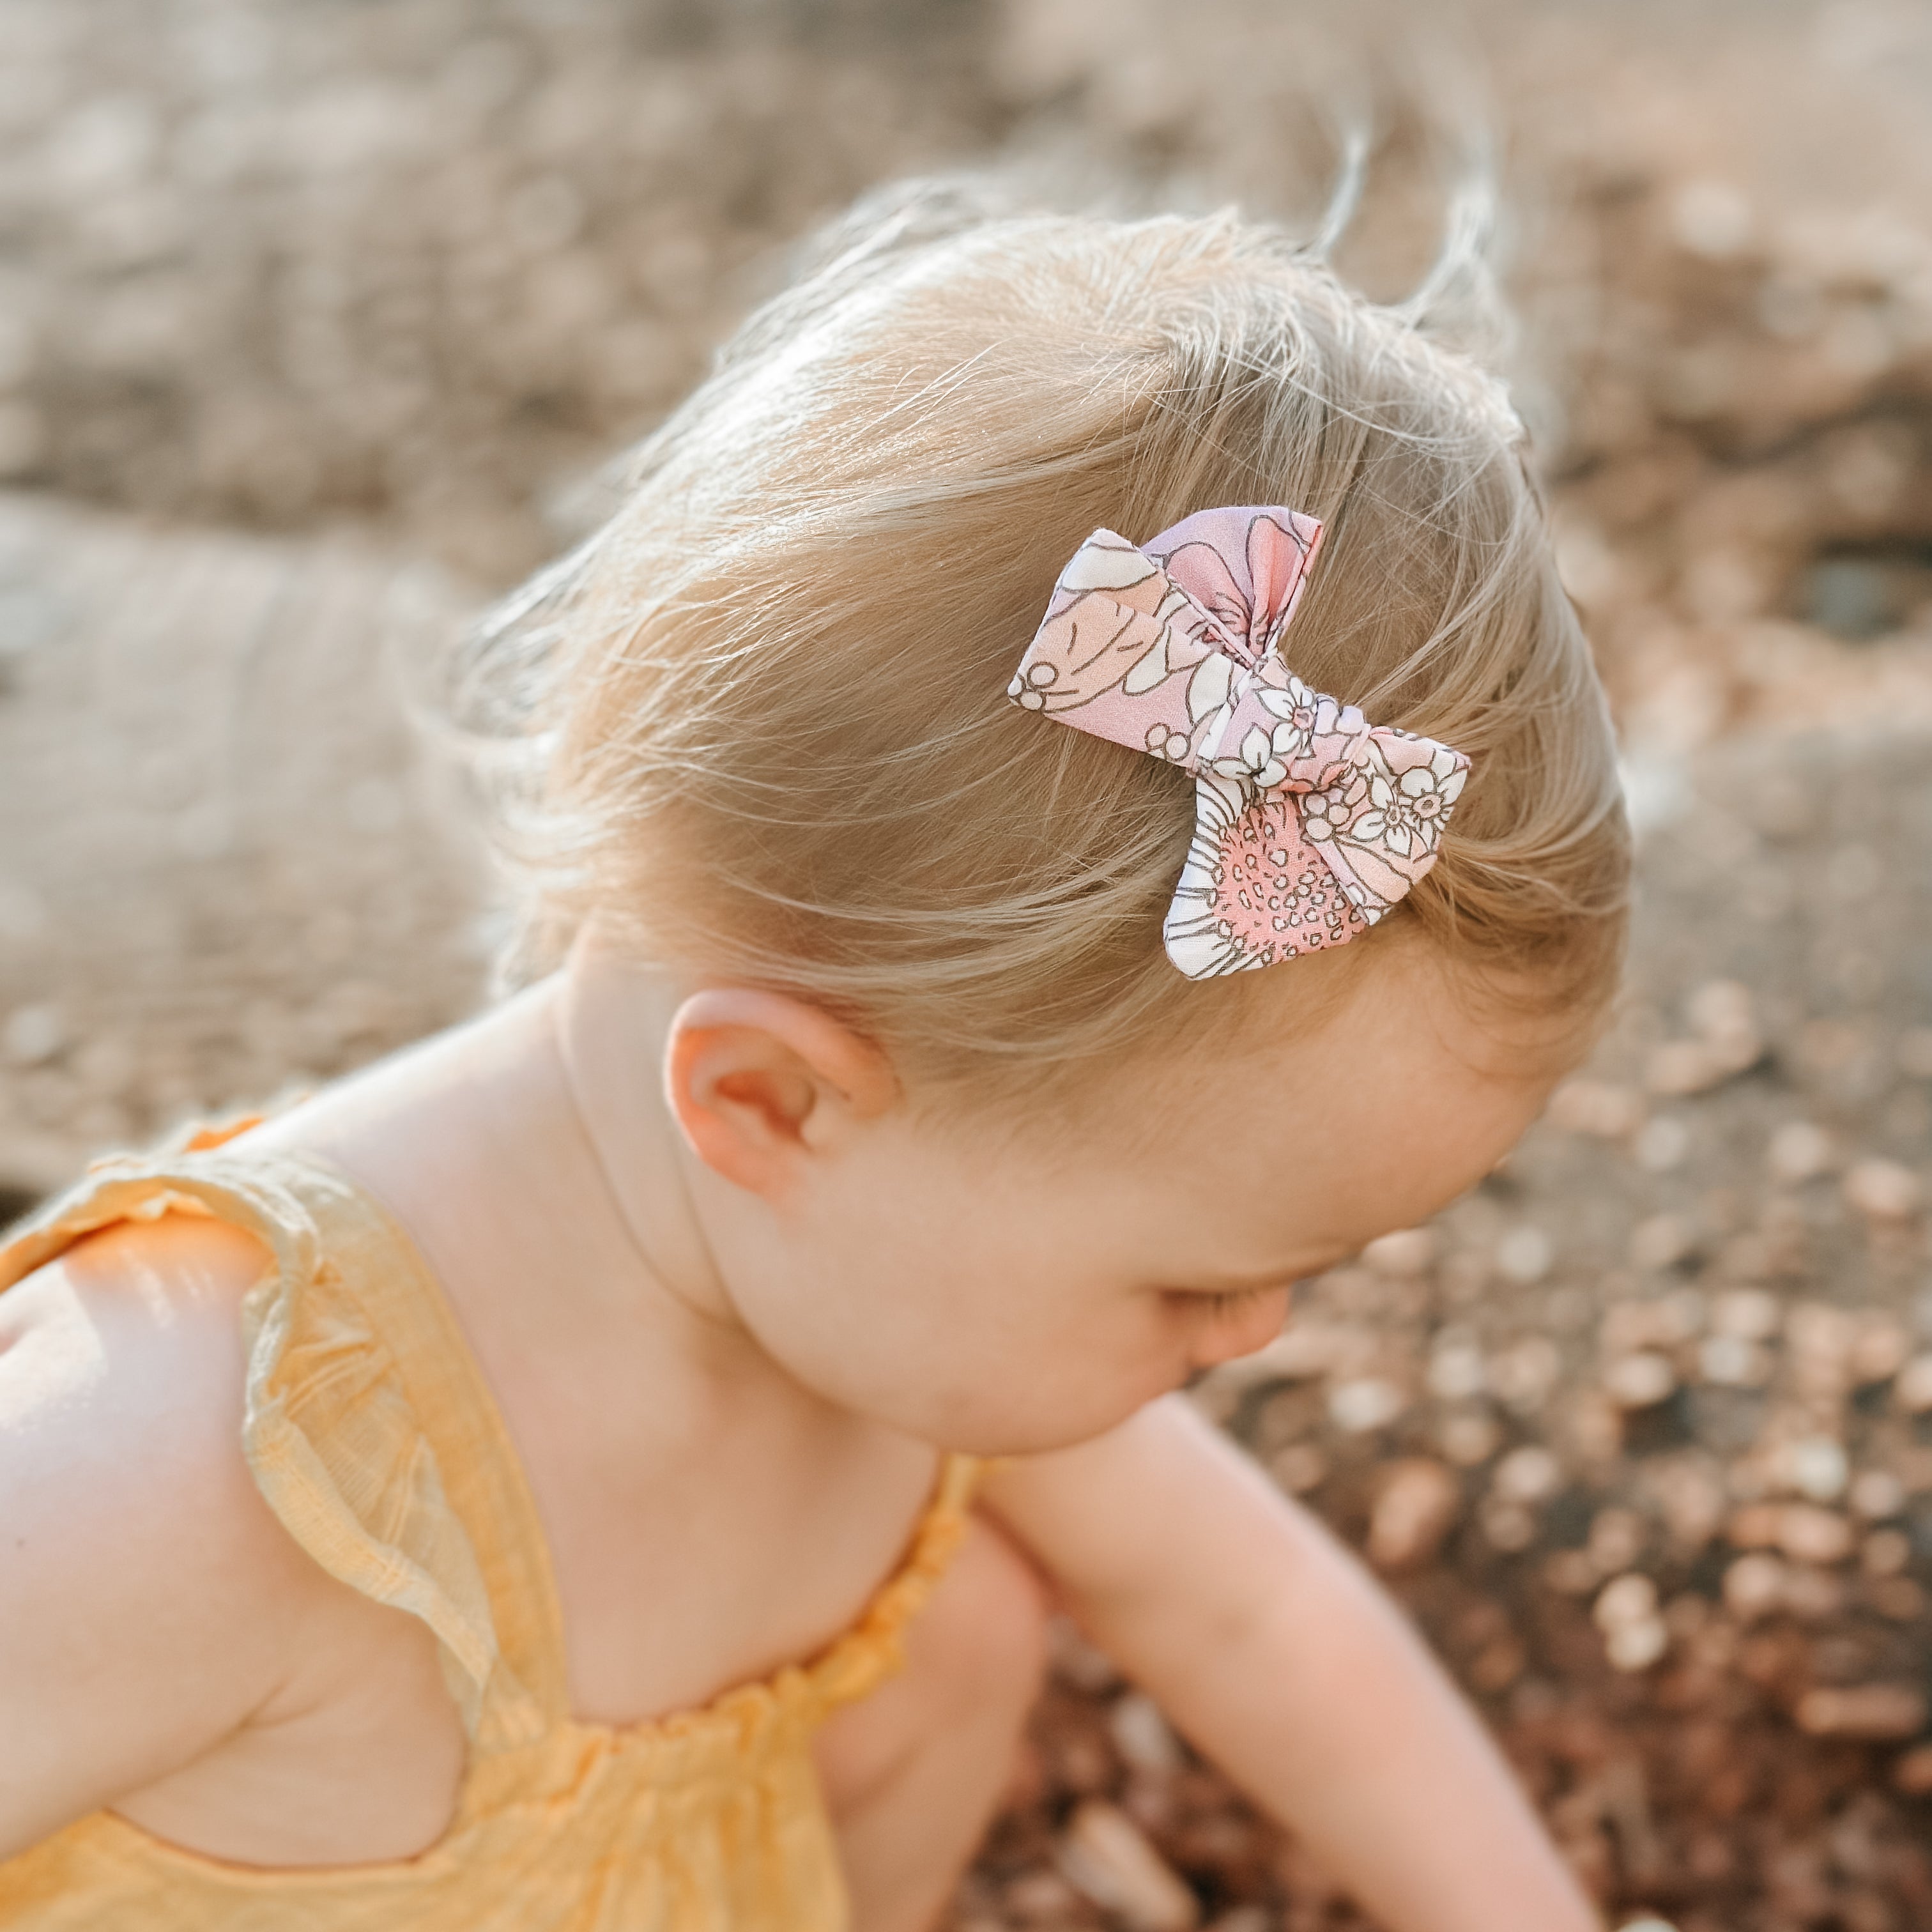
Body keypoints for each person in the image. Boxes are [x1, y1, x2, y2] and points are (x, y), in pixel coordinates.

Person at [0, 181, 1629, 1932]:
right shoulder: (200, 1466)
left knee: (950, 1634)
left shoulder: (859, 1280)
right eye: (1195, 1285)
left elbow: (1255, 1617)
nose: (1259, 1336)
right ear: (770, 1102)